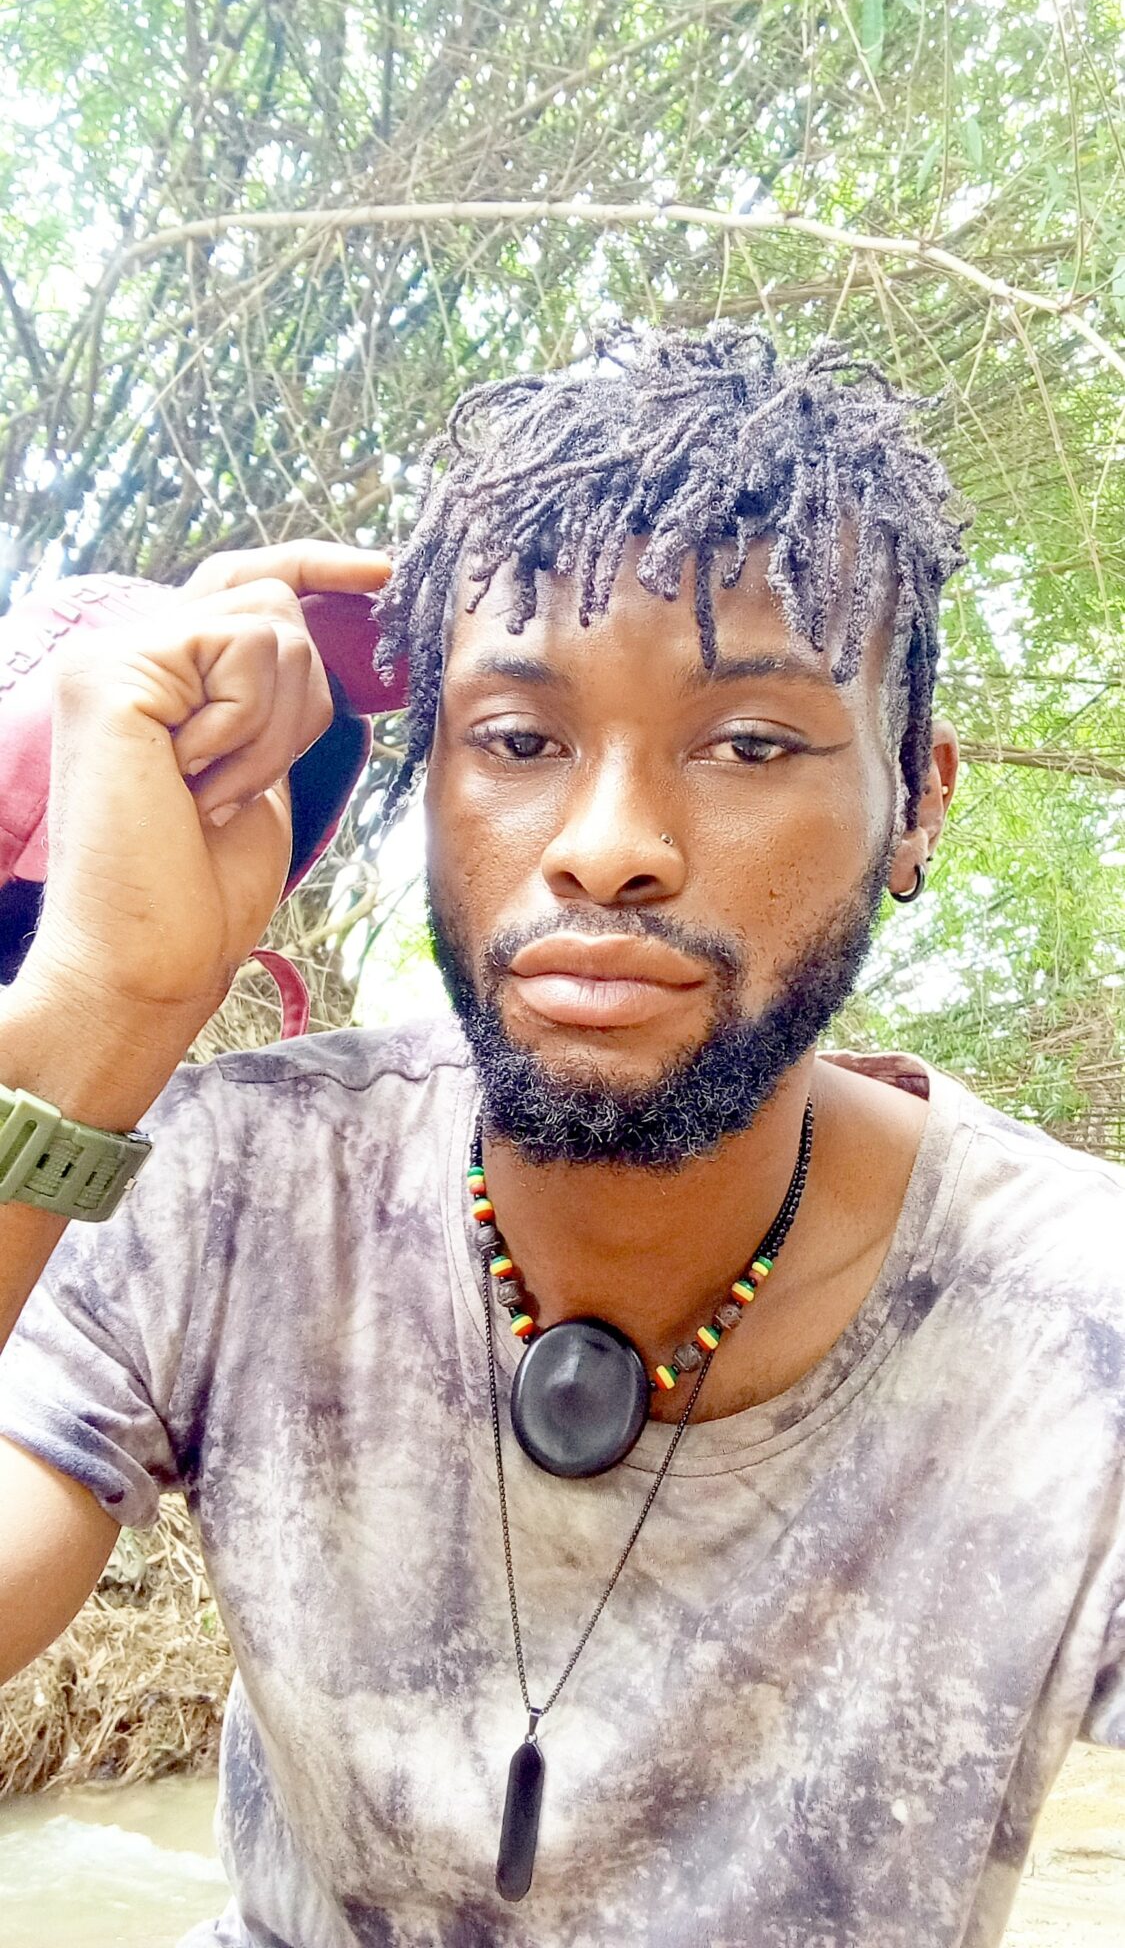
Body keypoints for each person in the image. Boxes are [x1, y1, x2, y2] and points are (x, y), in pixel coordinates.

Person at [0, 325, 1121, 1948]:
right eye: (517, 740)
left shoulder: (1073, 1337)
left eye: (748, 744)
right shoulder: (229, 1184)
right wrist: (97, 1013)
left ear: (916, 802)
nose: (606, 851)